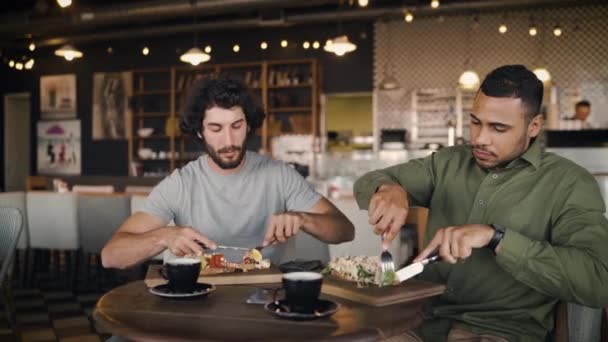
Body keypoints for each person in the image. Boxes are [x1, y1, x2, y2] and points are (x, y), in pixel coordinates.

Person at [354, 65, 608, 341]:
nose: (479, 139)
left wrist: (496, 237)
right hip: (420, 321)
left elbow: (597, 280)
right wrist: (388, 189)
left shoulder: (569, 183)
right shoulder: (447, 163)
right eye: (475, 122)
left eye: (498, 128)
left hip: (498, 331)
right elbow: (367, 182)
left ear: (534, 126)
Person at [102, 77, 354, 269]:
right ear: (200, 131)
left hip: (267, 300)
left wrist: (303, 219)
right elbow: (111, 256)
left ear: (248, 125)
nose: (229, 140)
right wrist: (164, 236)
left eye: (237, 126)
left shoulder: (279, 175)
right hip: (198, 301)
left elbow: (345, 229)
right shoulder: (180, 183)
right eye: (215, 128)